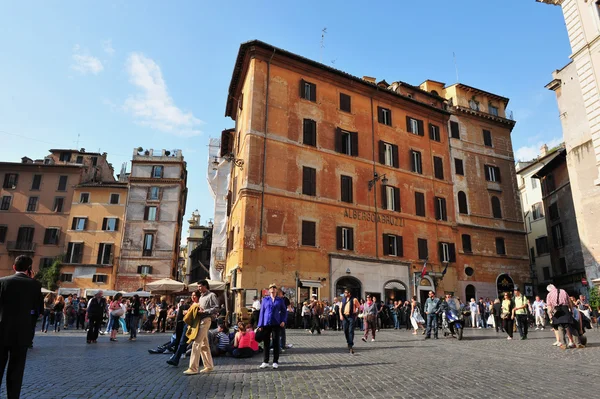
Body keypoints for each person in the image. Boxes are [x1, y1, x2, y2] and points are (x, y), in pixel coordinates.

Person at [0, 255, 43, 399]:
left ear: (14, 267)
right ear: (29, 269)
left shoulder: (2, 282)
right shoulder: (35, 285)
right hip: (22, 333)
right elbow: (39, 311)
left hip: (1, 331)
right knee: (16, 369)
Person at [183, 280, 219, 375]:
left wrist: (205, 311)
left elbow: (216, 308)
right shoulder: (201, 297)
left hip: (206, 320)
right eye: (198, 286)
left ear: (205, 286)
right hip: (200, 320)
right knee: (204, 344)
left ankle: (193, 368)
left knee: (196, 343)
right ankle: (209, 366)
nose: (198, 288)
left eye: (200, 286)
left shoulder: (211, 295)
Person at [258, 283, 287, 369]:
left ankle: (275, 361)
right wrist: (260, 324)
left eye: (274, 288)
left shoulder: (280, 300)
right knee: (266, 343)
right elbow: (262, 312)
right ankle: (265, 361)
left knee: (276, 342)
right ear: (269, 290)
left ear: (276, 290)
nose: (273, 289)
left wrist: (283, 320)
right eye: (271, 288)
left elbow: (284, 311)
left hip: (276, 323)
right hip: (266, 323)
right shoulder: (265, 300)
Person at [546, 284, 575, 349]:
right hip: (565, 309)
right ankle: (571, 341)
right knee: (567, 326)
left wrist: (550, 315)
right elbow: (569, 301)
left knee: (559, 326)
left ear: (549, 290)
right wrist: (571, 310)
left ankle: (563, 344)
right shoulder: (563, 291)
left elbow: (549, 306)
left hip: (556, 310)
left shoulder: (549, 295)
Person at [339, 288, 360, 354]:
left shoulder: (354, 299)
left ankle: (350, 345)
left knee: (351, 330)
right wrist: (341, 315)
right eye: (344, 292)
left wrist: (356, 315)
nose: (345, 293)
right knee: (345, 330)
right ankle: (348, 341)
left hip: (351, 316)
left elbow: (358, 307)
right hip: (344, 316)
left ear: (349, 293)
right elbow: (340, 308)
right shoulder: (343, 299)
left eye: (346, 292)